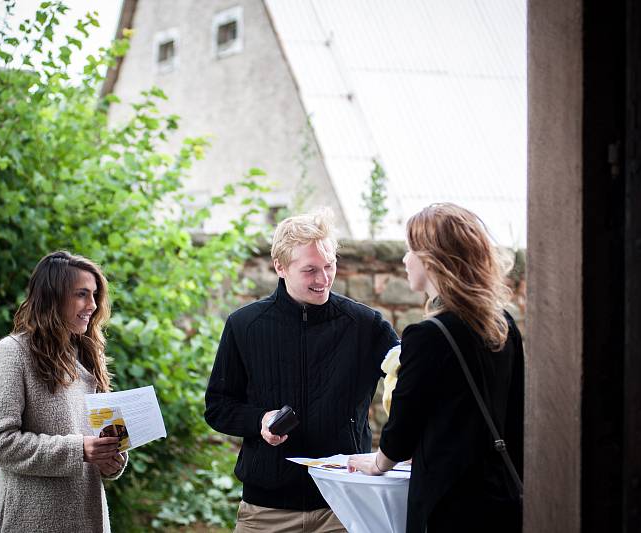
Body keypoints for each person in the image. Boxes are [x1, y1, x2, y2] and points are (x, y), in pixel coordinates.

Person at [205, 209, 400, 532]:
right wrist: (260, 420)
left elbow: (411, 386)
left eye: (329, 266)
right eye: (310, 270)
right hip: (265, 510)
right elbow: (218, 408)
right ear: (280, 267)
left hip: (344, 505)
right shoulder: (243, 325)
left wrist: (393, 454)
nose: (323, 279)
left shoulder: (368, 326)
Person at [348, 203, 525, 533]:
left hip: (449, 503)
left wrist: (378, 462)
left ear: (432, 260)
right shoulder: (504, 325)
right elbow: (514, 415)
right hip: (501, 497)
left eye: (411, 249)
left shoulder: (428, 335)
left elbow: (402, 429)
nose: (404, 259)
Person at [0, 251, 128, 532]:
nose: (92, 305)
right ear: (53, 297)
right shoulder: (11, 354)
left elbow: (99, 436)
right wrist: (79, 449)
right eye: (82, 294)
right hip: (30, 522)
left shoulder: (86, 355)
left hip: (88, 519)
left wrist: (111, 459)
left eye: (94, 295)